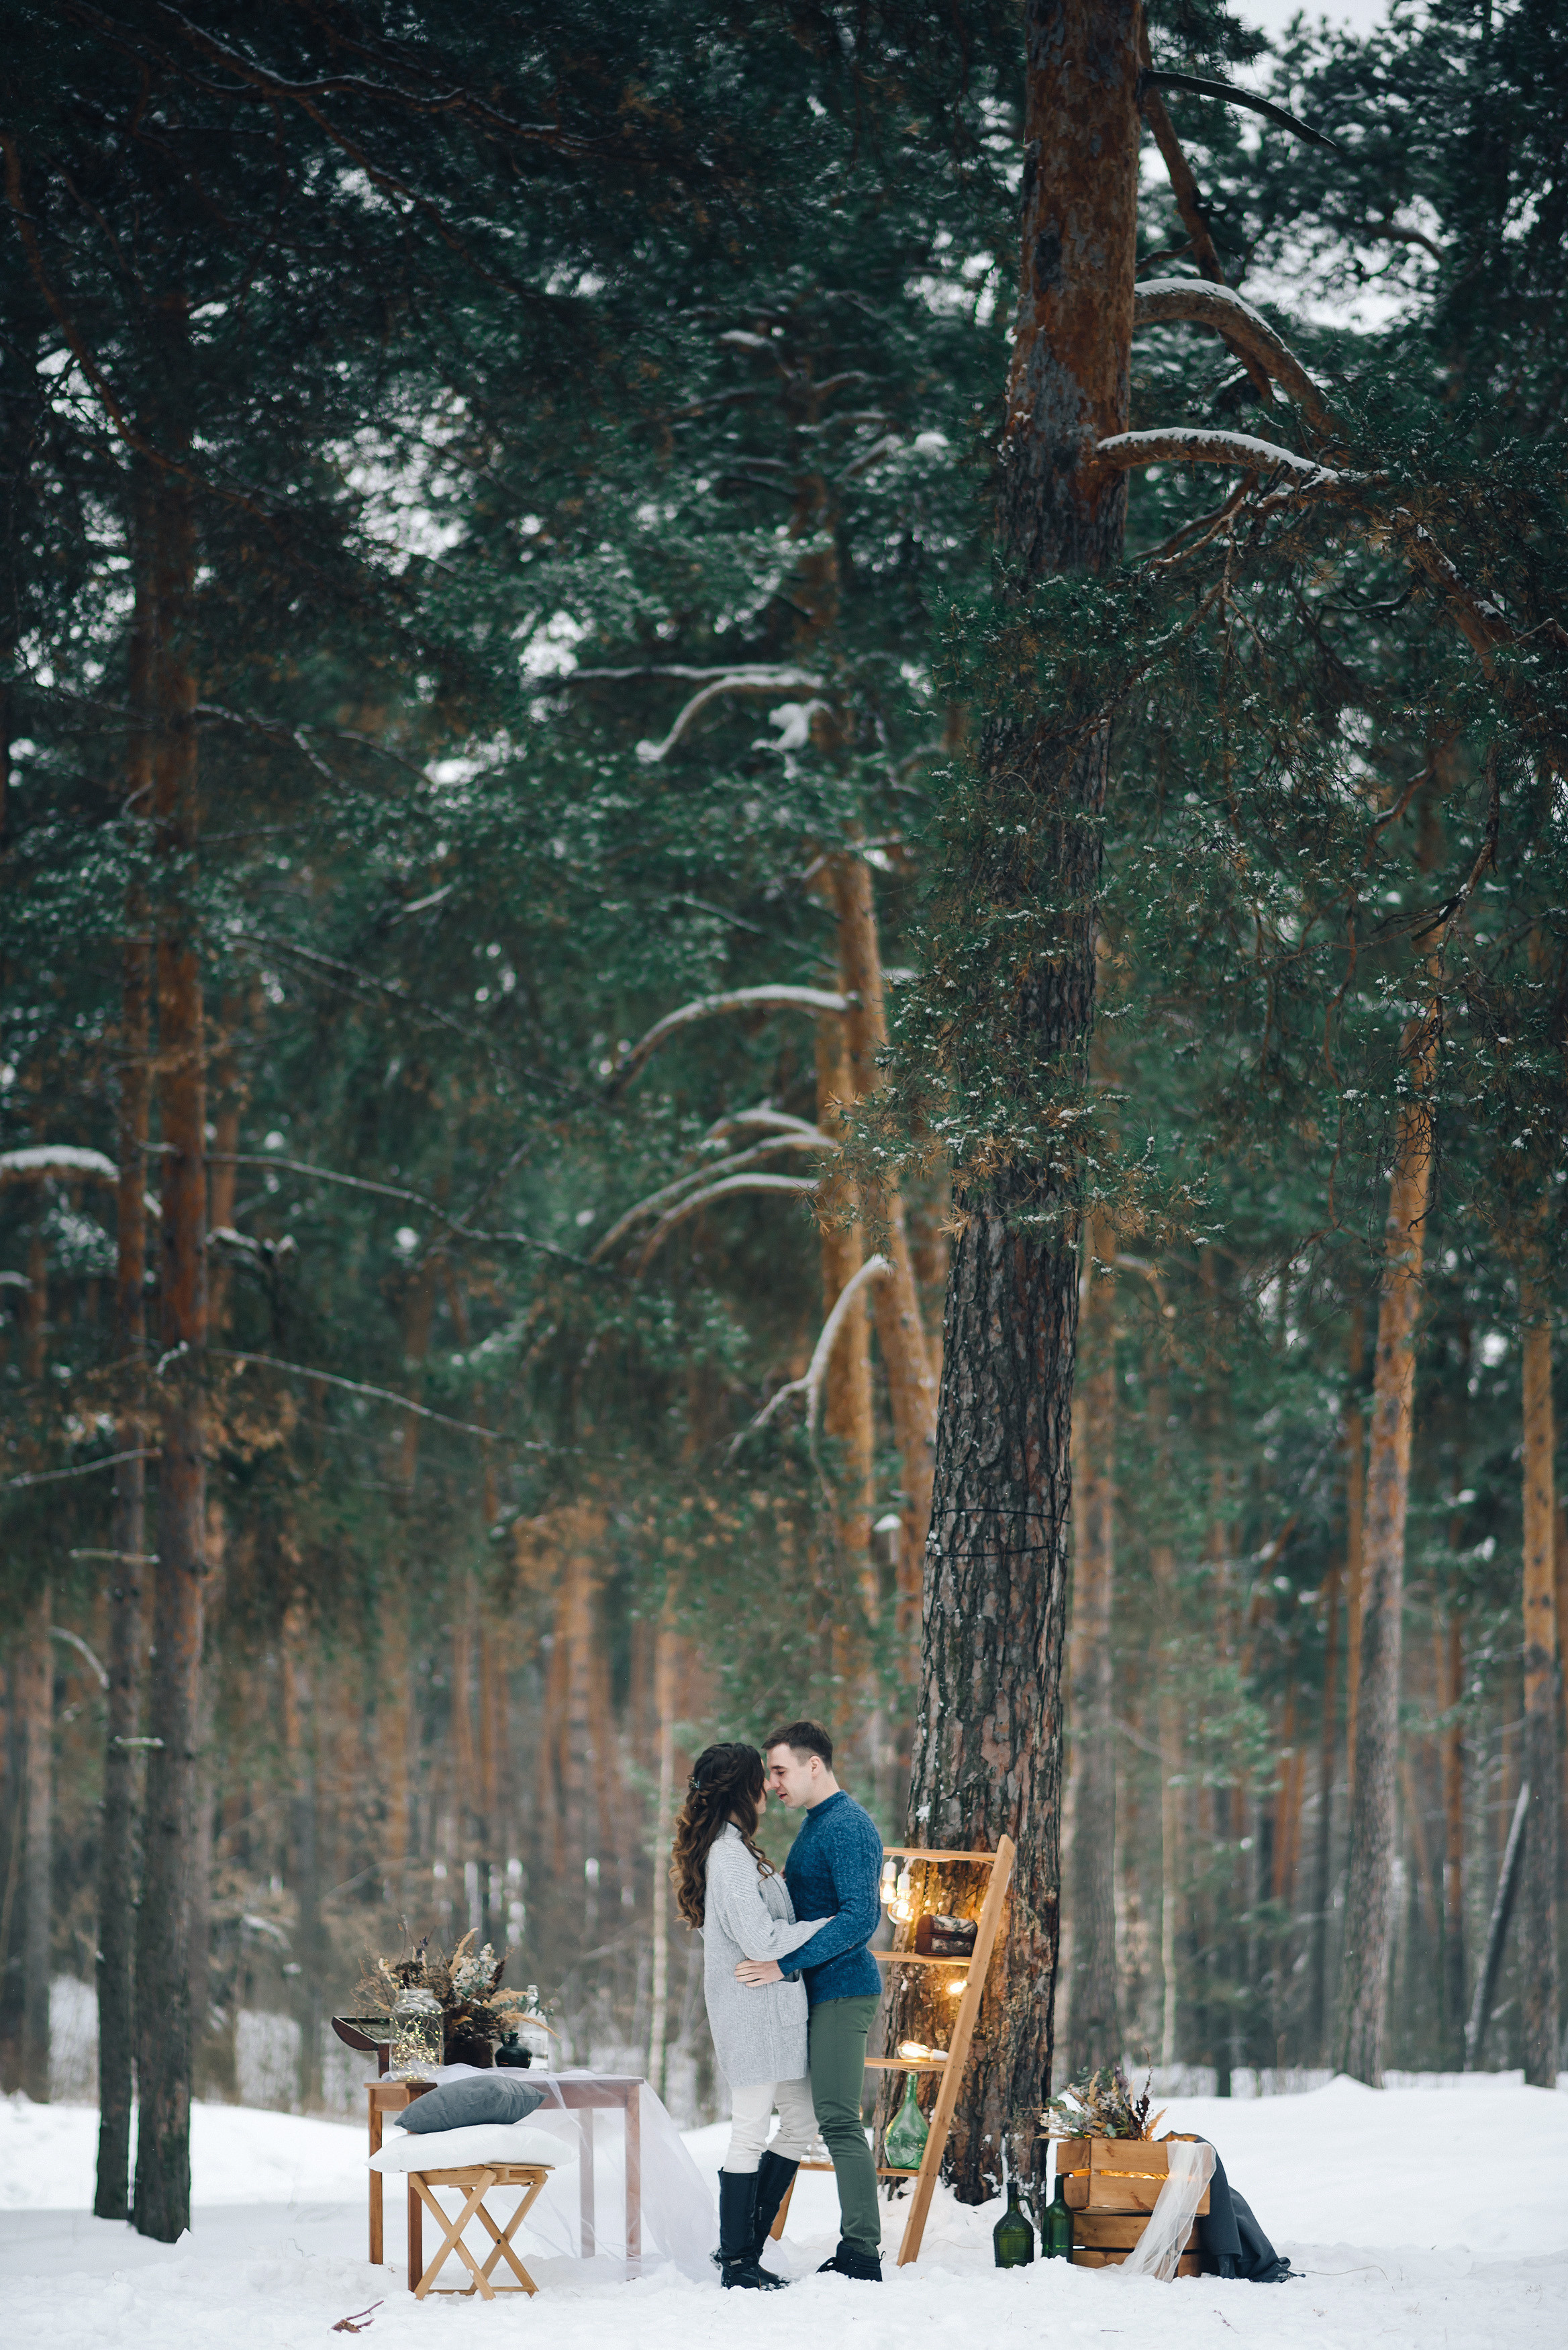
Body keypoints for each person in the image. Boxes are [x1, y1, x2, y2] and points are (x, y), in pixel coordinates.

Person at [671, 1741, 829, 2290]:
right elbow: (760, 1939)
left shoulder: (739, 1849)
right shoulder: (728, 1856)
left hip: (773, 2009)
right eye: (761, 1779)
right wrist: (826, 1927)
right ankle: (738, 2262)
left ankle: (744, 2248)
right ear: (743, 1789)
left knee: (800, 2123)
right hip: (751, 2011)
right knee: (749, 2131)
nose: (768, 1787)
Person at [734, 1719, 885, 2282]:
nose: (773, 1783)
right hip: (812, 1994)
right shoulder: (817, 1824)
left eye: (779, 1771)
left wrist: (782, 1963)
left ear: (812, 1765)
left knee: (840, 2121)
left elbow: (860, 1917)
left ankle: (862, 2255)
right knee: (812, 2117)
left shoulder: (847, 1826)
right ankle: (746, 2240)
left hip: (843, 1991)